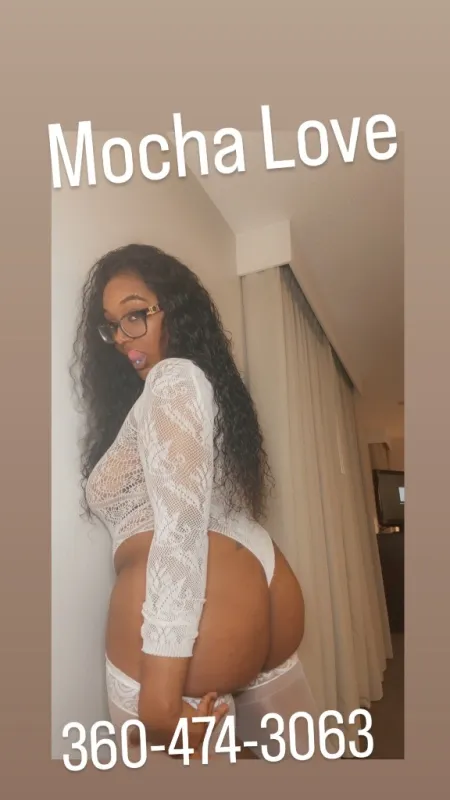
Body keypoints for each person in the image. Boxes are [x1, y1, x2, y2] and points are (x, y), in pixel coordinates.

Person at [71, 243, 320, 764]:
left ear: (174, 310)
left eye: (136, 315)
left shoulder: (172, 379)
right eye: (112, 325)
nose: (123, 337)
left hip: (178, 651)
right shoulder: (199, 388)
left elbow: (181, 527)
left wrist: (161, 701)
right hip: (261, 591)